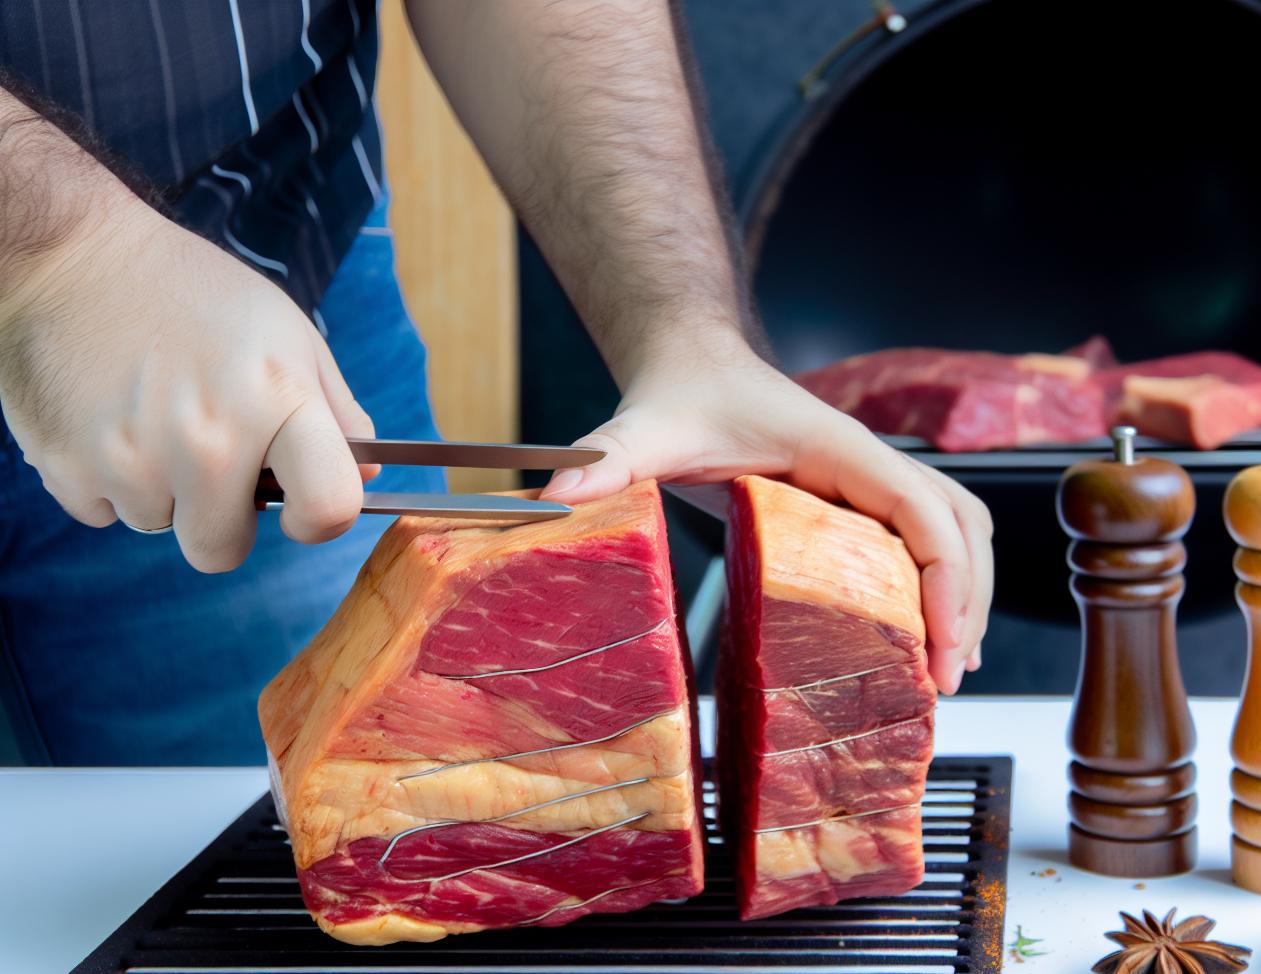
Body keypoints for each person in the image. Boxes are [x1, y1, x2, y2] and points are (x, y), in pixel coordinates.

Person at [0, 1, 991, 765]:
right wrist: (57, 255)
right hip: (92, 270)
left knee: (354, 847)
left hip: (253, 314)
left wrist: (687, 334)